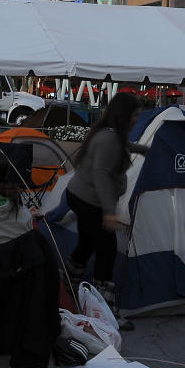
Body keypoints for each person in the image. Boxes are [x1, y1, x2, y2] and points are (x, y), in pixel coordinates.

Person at [63, 92, 146, 329]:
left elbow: (122, 147)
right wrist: (109, 211)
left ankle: (67, 283)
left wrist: (143, 150)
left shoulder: (110, 135)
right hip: (89, 201)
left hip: (80, 196)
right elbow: (100, 173)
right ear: (124, 116)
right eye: (135, 115)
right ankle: (103, 311)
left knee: (88, 243)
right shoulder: (109, 139)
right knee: (106, 250)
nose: (137, 119)